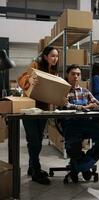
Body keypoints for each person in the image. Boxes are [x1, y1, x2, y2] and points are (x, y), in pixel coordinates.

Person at [59, 64, 99, 182]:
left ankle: (80, 166)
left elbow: (97, 103)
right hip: (71, 125)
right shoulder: (63, 92)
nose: (76, 76)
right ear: (67, 75)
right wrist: (87, 106)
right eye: (73, 74)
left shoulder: (85, 91)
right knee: (73, 148)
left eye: (78, 74)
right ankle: (84, 167)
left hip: (87, 124)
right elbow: (66, 106)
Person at [18, 46, 59, 185]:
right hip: (29, 109)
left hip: (43, 110)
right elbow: (21, 78)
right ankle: (36, 170)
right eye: (52, 56)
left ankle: (32, 167)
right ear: (46, 56)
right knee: (34, 141)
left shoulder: (53, 72)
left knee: (38, 140)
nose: (55, 59)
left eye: (57, 56)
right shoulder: (35, 65)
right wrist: (29, 80)